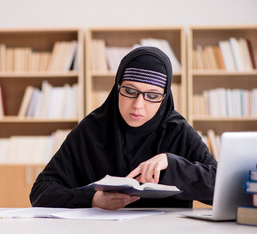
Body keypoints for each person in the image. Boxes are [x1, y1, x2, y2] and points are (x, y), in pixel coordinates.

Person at [30, 46, 217, 210]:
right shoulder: (91, 130)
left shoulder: (178, 132)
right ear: (117, 87)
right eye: (129, 91)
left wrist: (173, 164)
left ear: (165, 97)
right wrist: (92, 199)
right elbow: (41, 191)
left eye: (152, 96)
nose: (138, 105)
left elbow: (222, 188)